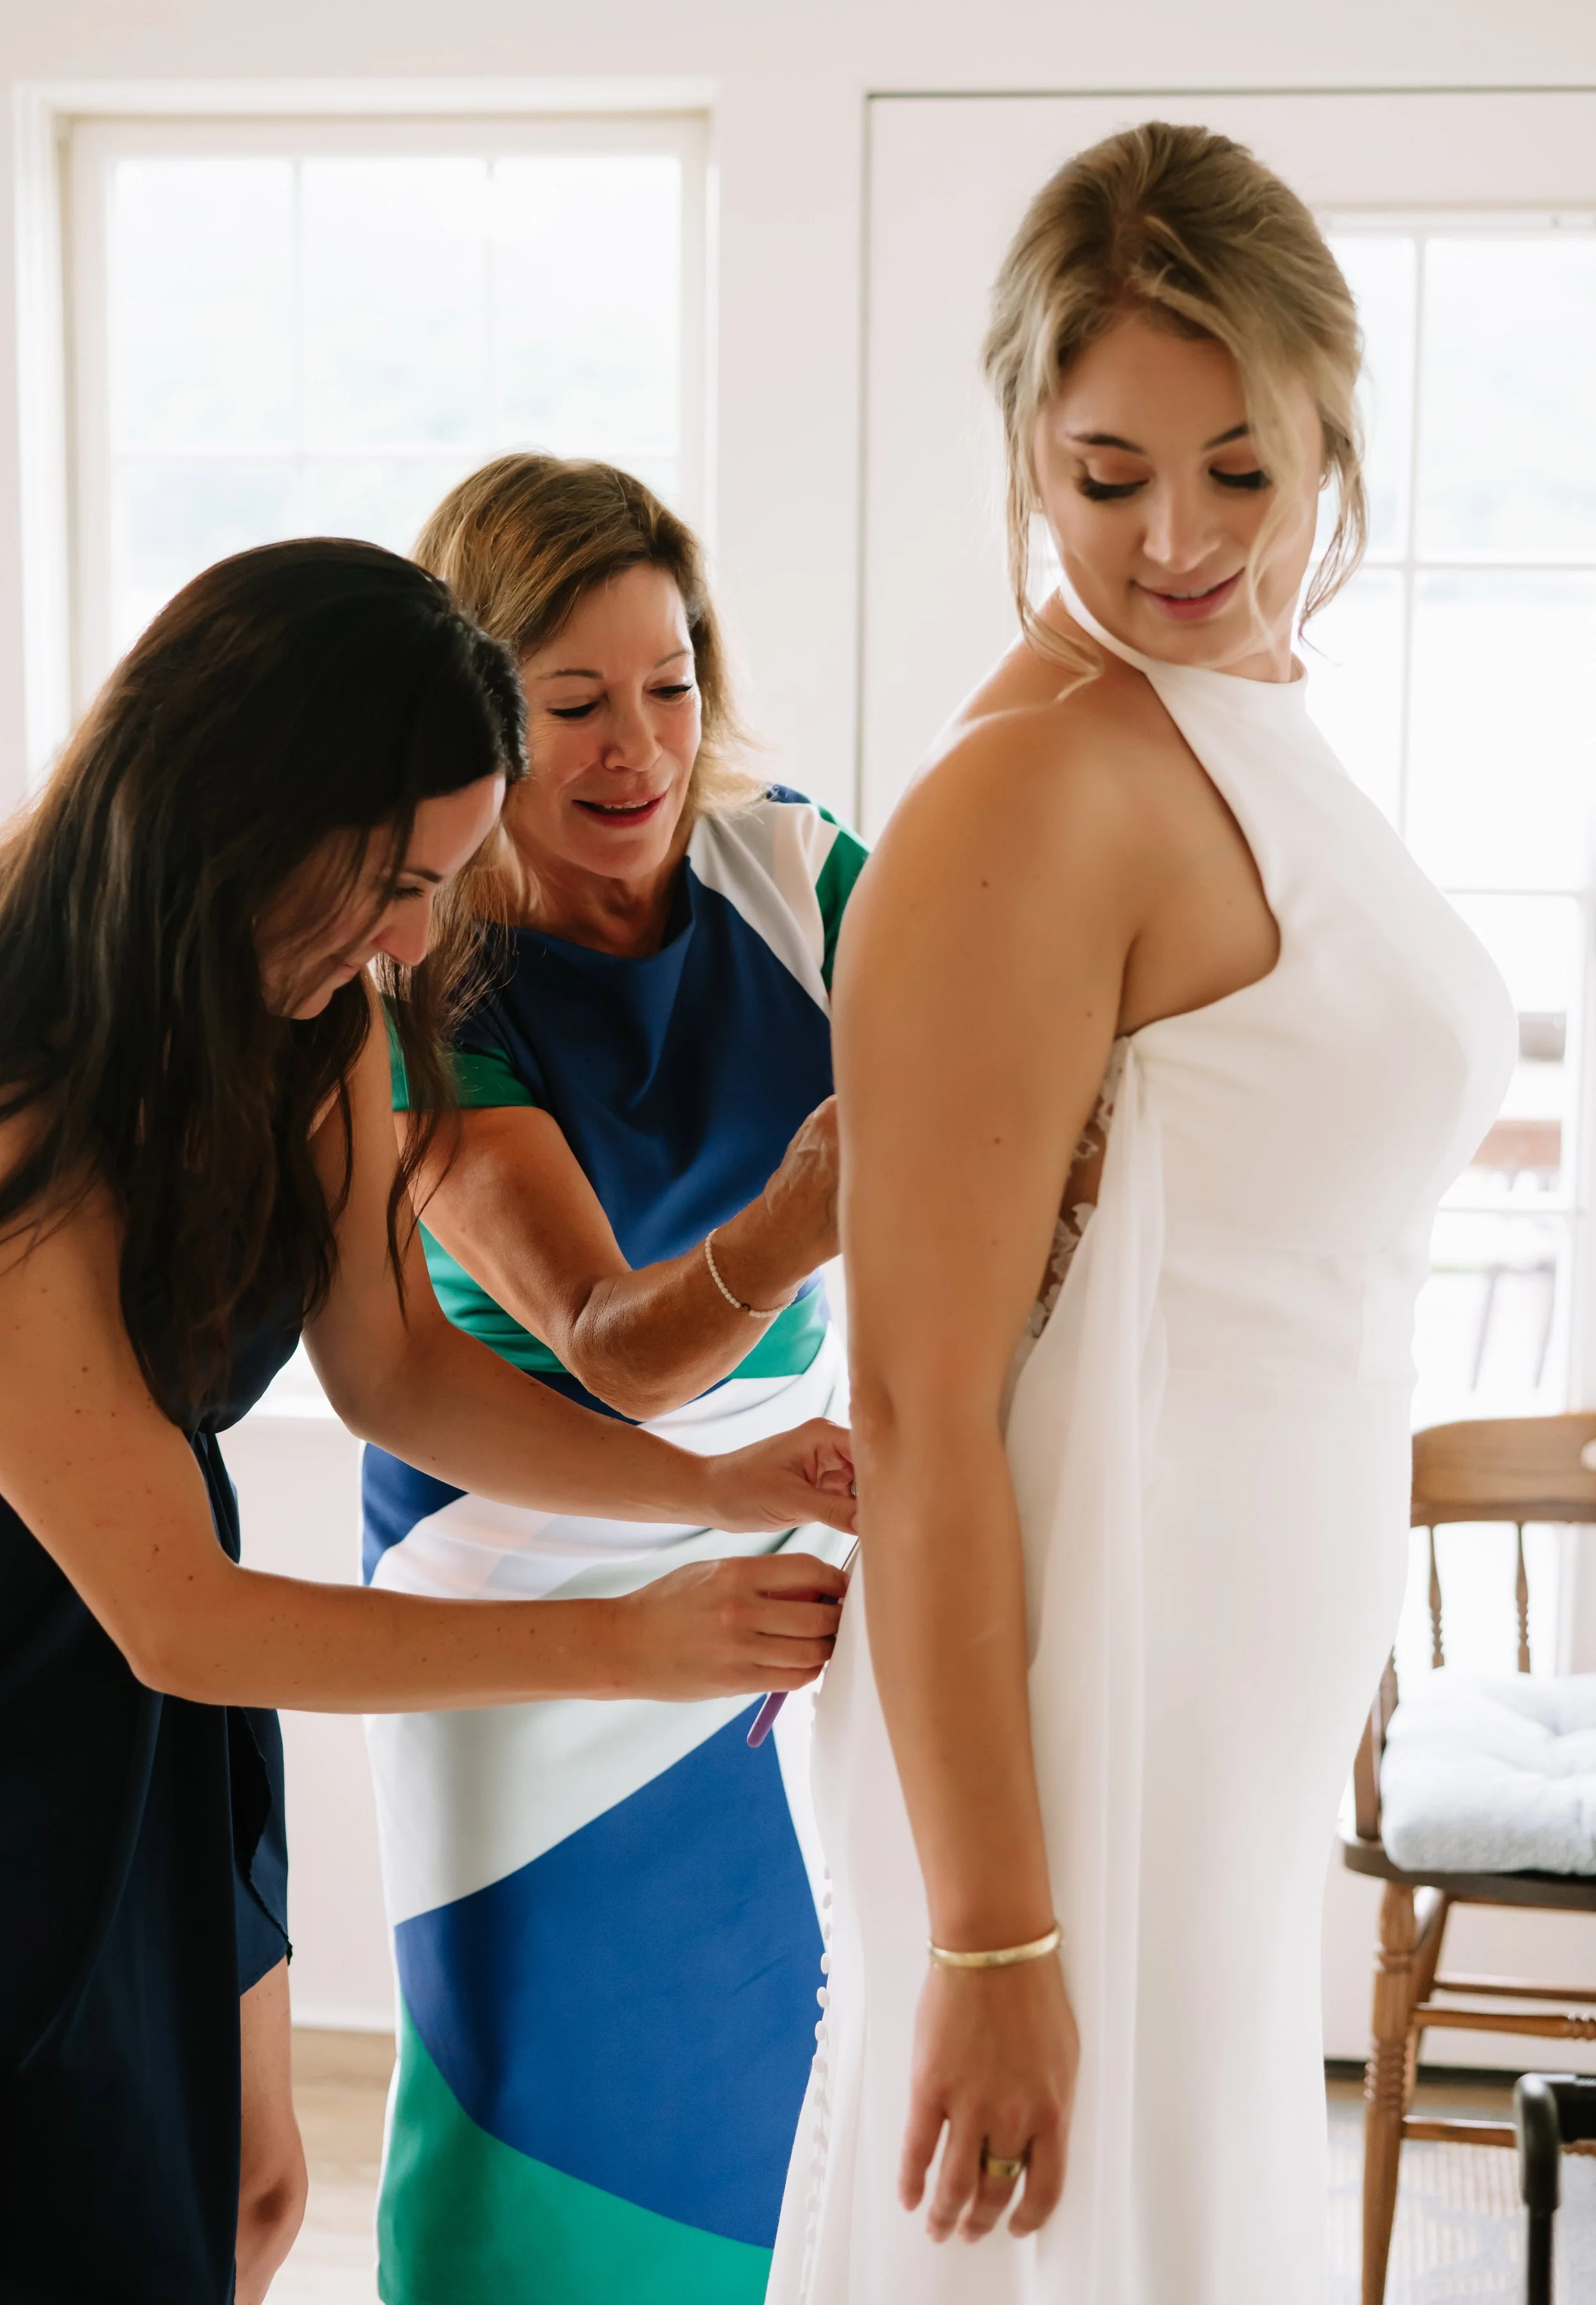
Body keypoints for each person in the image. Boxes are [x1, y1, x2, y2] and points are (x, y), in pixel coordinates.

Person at [767, 121, 1517, 2304]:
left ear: (1327, 437)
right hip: (1082, 1698)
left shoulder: (1240, 710)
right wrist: (994, 1931)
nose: (1176, 538)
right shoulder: (1032, 786)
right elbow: (913, 1401)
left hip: (1222, 1685)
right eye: (1105, 478)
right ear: (1022, 444)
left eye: (1240, 470)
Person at [0, 539, 853, 2305]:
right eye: (396, 878)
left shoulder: (314, 1024)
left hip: (169, 1705)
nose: (415, 940)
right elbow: (176, 1615)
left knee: (248, 2200)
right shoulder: (23, 1093)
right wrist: (621, 1641)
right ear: (244, 810)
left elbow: (396, 1368)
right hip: (62, 1678)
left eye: (446, 882)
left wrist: (701, 1483)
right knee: (87, 2222)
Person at [358, 455, 868, 2305]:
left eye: (669, 681)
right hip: (519, 1573)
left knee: (762, 2085)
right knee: (531, 2104)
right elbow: (608, 1345)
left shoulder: (797, 870)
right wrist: (807, 1213)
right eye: (572, 704)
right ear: (484, 714)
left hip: (782, 1548)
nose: (637, 745)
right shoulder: (417, 965)